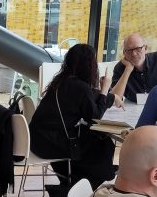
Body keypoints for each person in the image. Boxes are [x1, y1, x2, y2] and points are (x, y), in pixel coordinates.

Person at [28, 43, 131, 189]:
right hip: (51, 144)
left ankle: (76, 179)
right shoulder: (79, 87)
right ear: (90, 65)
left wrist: (110, 97)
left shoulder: (62, 81)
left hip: (39, 139)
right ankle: (88, 181)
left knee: (93, 138)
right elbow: (95, 116)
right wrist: (105, 90)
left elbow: (89, 97)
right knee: (103, 141)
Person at [110, 33, 157, 103]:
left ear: (145, 49)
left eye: (138, 49)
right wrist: (127, 70)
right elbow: (114, 99)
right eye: (129, 50)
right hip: (133, 109)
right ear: (124, 53)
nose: (134, 54)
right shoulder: (120, 68)